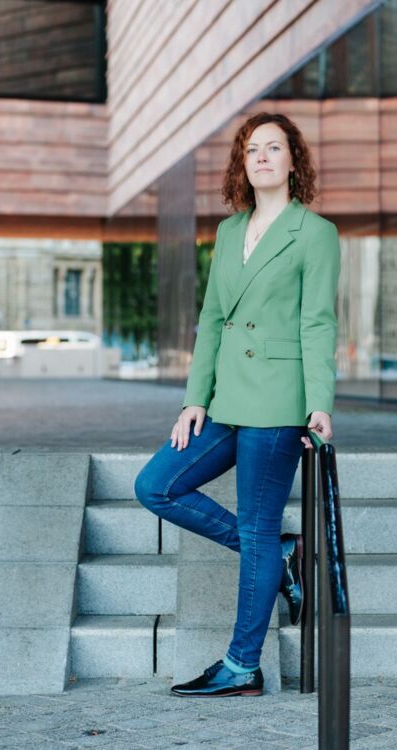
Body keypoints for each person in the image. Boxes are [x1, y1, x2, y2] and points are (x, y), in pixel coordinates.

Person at [134, 111, 341, 697]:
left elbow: (318, 323)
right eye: (252, 150)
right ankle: (281, 552)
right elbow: (211, 319)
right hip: (225, 399)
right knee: (157, 486)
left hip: (277, 400)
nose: (263, 158)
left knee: (255, 525)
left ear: (294, 161)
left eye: (274, 148)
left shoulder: (315, 233)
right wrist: (193, 399)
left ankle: (242, 666)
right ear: (242, 165)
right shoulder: (229, 232)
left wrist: (319, 403)